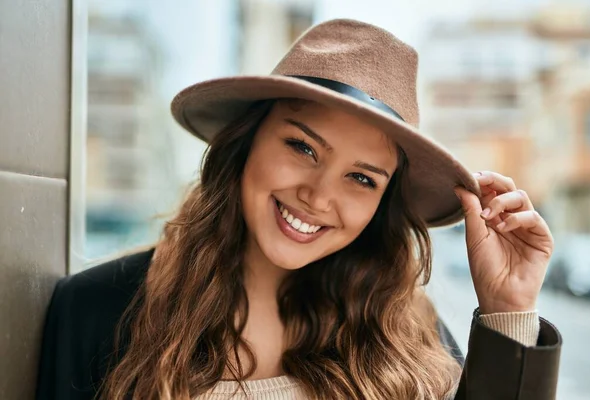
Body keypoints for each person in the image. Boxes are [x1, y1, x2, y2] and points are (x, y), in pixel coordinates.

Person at [36, 19, 561, 400]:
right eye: (302, 148)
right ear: (246, 141)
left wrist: (507, 306)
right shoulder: (97, 309)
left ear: (382, 203)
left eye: (361, 178)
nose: (317, 196)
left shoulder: (405, 328)